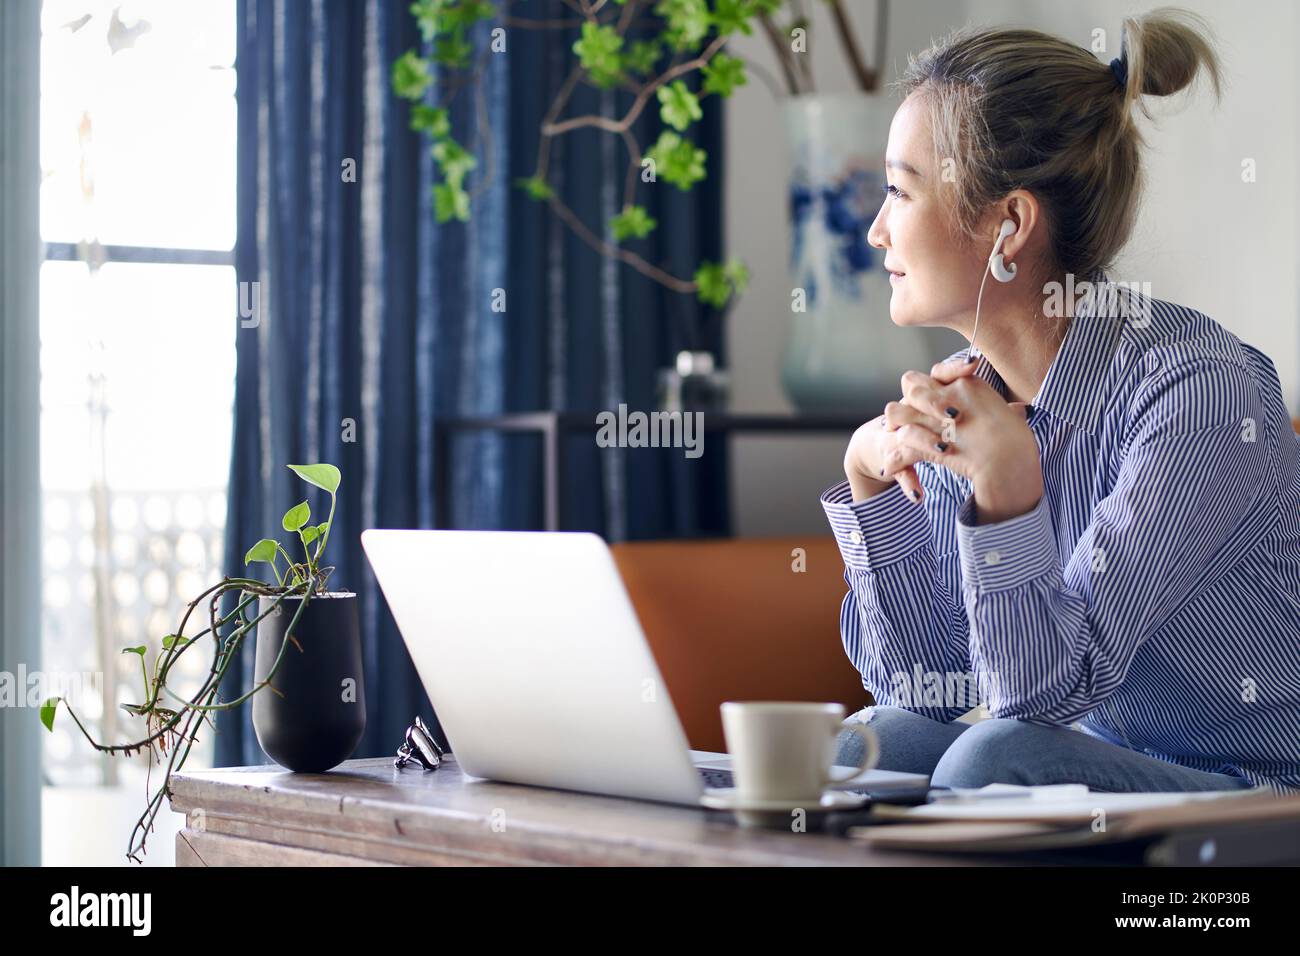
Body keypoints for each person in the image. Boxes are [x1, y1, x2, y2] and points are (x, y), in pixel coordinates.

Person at [825, 8, 1300, 795]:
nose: (875, 231)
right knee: (868, 742)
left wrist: (1009, 501)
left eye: (899, 195)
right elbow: (928, 685)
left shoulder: (1198, 395)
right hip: (1105, 767)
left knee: (992, 758)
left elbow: (1044, 695)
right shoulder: (966, 396)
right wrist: (870, 488)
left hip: (1264, 789)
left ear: (1009, 224)